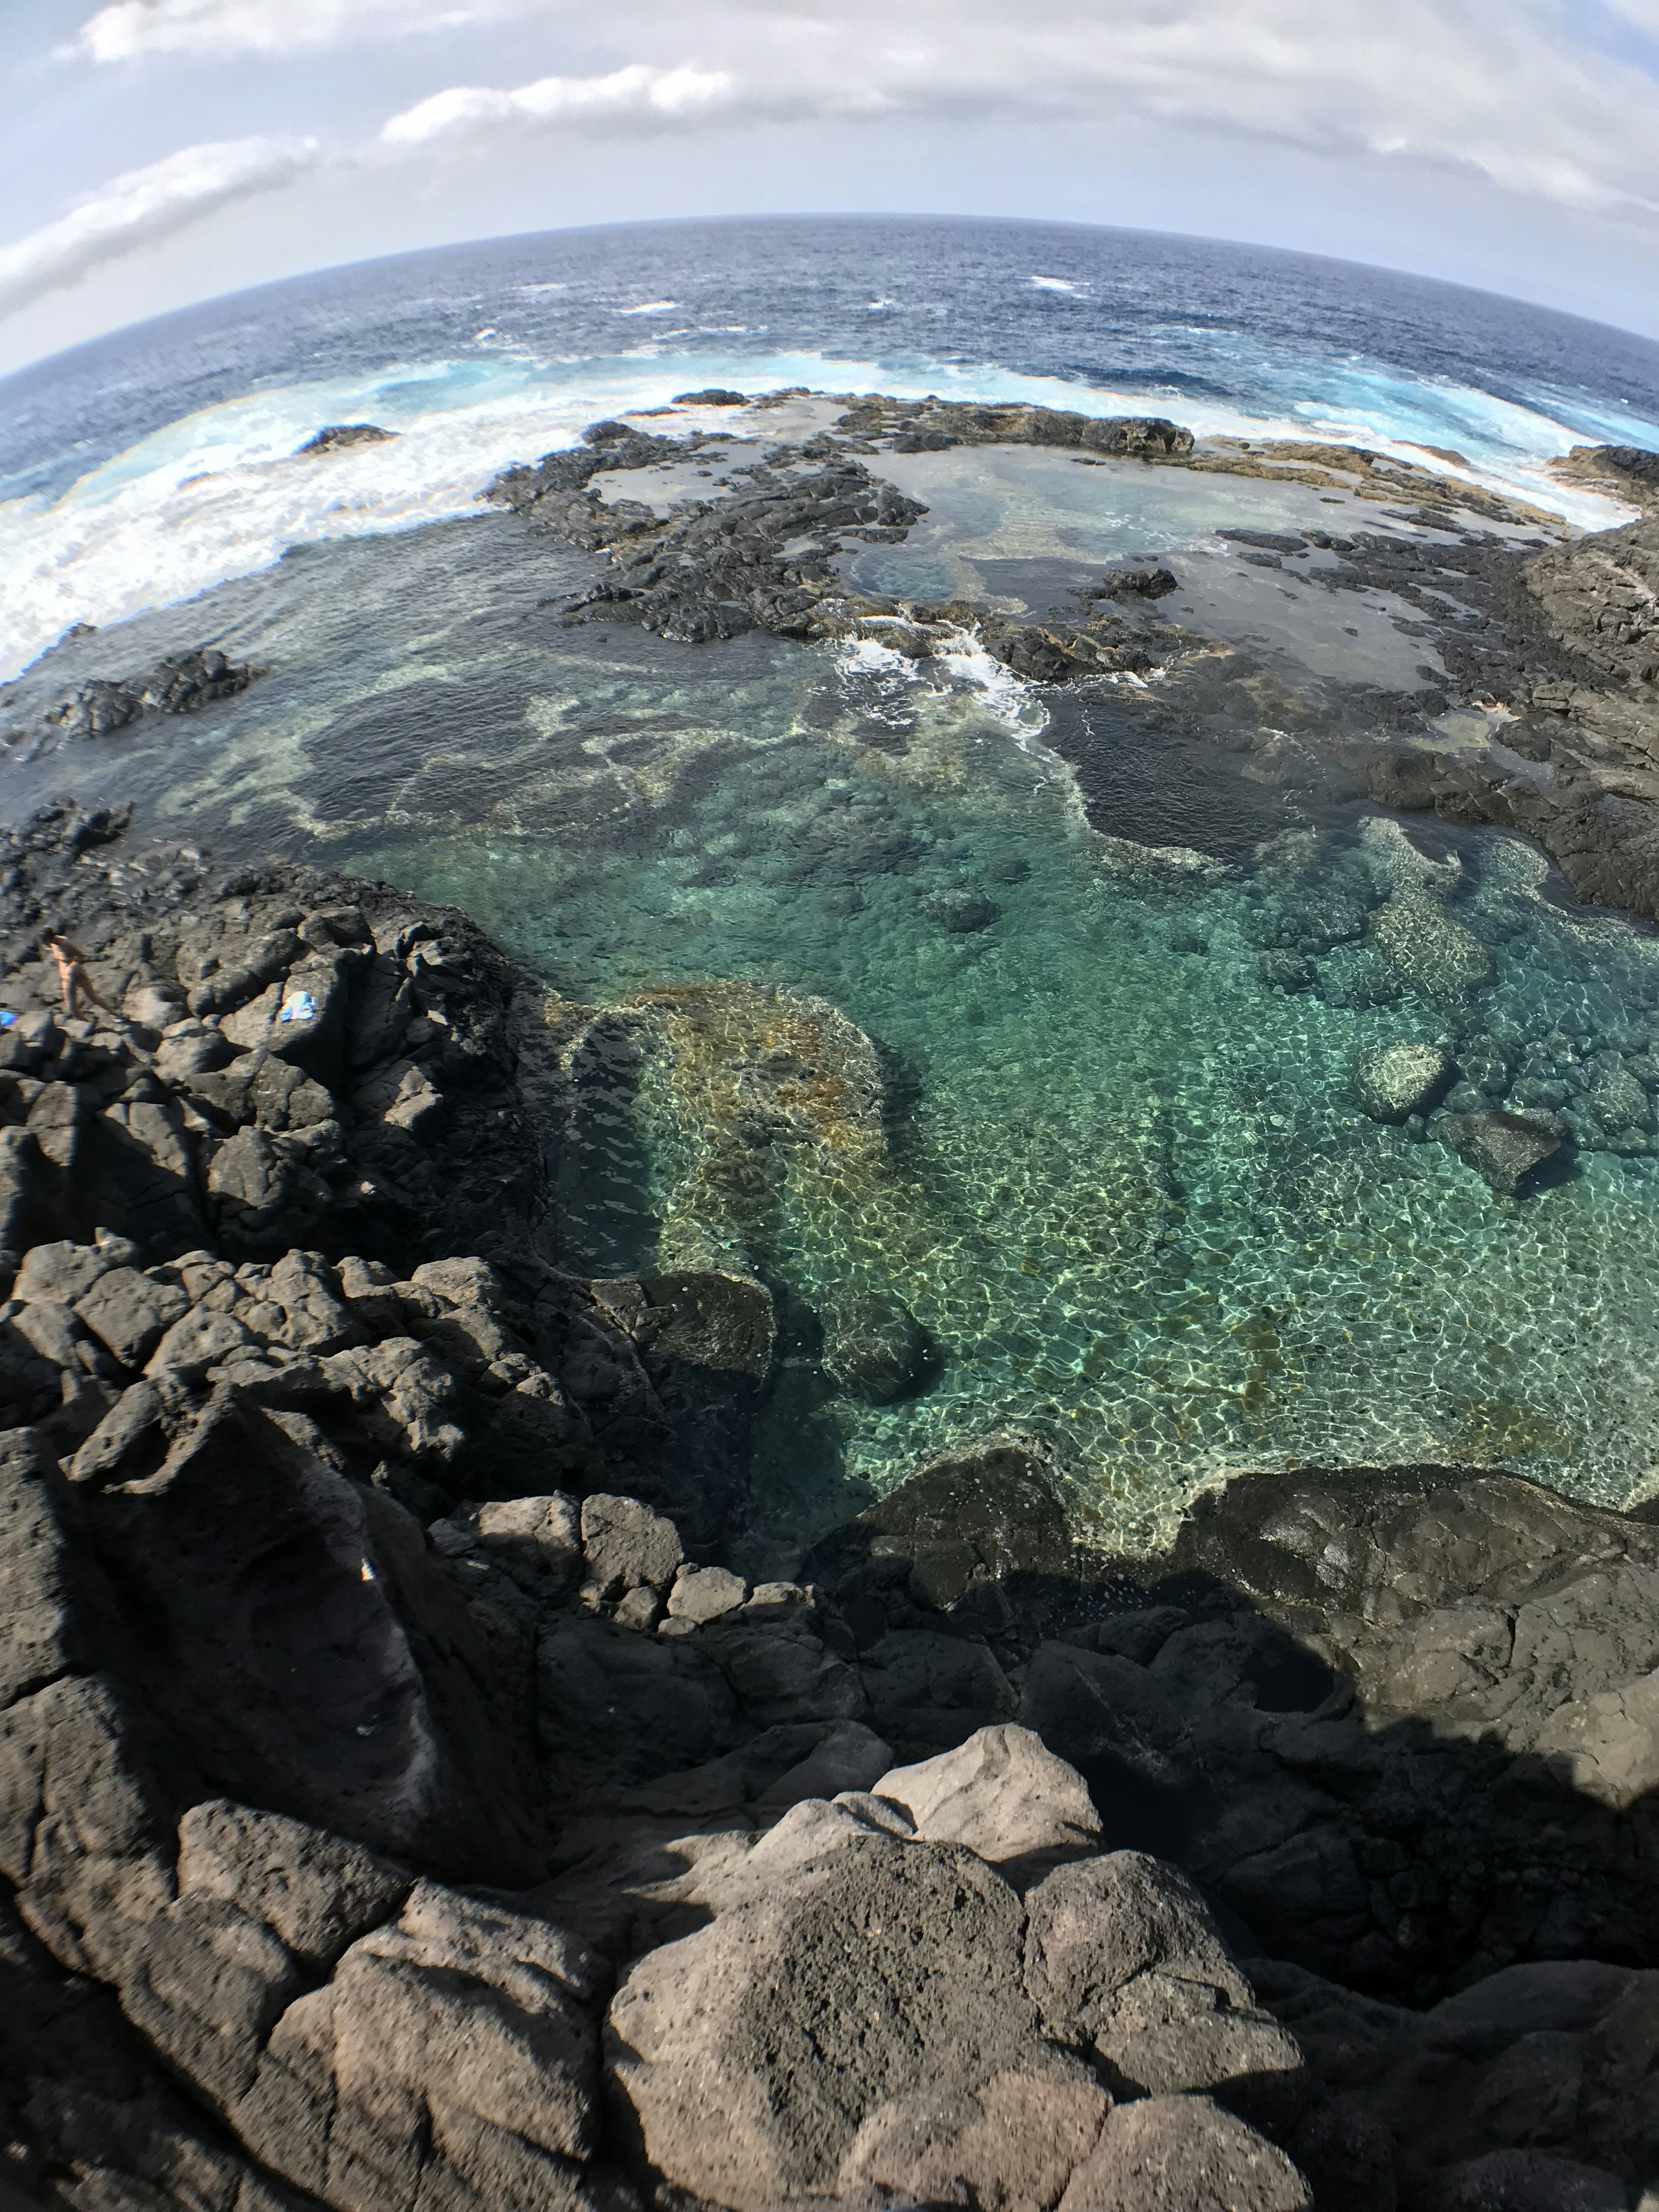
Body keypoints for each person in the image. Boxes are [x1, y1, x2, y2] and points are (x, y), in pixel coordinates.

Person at [40, 931, 115, 1020]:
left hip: (73, 974)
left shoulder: (64, 944)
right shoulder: (55, 943)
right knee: (78, 1006)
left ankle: (111, 1015)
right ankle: (92, 1022)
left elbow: (80, 955)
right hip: (68, 976)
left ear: (49, 939)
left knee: (89, 1000)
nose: (44, 944)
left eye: (45, 941)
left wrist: (71, 966)